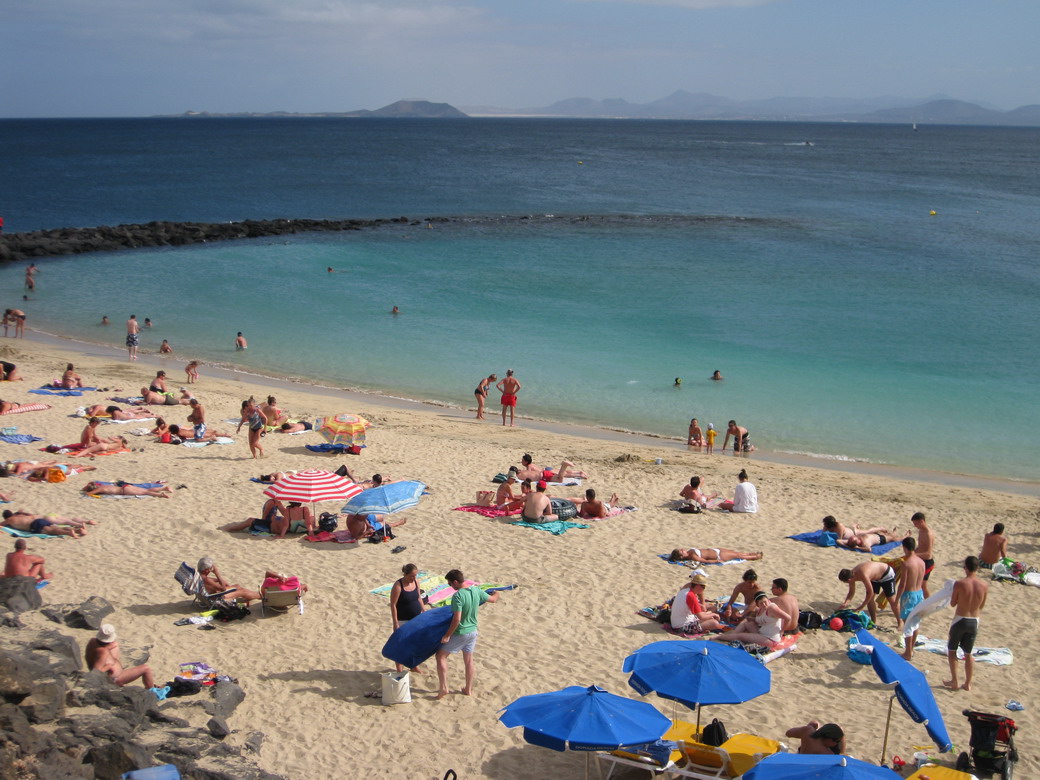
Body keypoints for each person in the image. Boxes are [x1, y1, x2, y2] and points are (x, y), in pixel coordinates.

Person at [436, 569, 501, 698]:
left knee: (441, 656)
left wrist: (447, 635)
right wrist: (497, 592)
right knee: (469, 660)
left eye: (450, 584)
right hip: (473, 631)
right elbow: (493, 599)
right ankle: (468, 689)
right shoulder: (475, 590)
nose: (450, 586)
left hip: (461, 632)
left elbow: (456, 619)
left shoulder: (458, 596)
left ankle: (444, 688)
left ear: (455, 582)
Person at [945, 556, 988, 691]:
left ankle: (955, 681)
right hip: (974, 620)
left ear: (966, 568)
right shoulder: (984, 585)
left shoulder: (960, 583)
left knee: (952, 650)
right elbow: (982, 605)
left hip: (960, 619)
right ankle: (968, 683)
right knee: (968, 653)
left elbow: (952, 603)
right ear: (977, 568)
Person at [85, 624, 158, 691]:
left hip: (110, 675)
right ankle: (151, 691)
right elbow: (95, 672)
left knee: (115, 645)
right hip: (113, 680)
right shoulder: (103, 652)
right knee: (146, 669)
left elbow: (95, 655)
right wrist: (109, 666)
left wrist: (108, 648)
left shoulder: (92, 641)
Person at [709, 591, 790, 648]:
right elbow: (763, 620)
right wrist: (752, 619)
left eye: (765, 602)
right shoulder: (760, 609)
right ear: (757, 604)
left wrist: (782, 631)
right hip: (762, 632)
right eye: (761, 603)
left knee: (741, 636)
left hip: (769, 639)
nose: (764, 604)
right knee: (747, 621)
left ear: (768, 600)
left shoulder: (772, 607)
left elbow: (787, 618)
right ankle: (732, 634)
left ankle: (719, 637)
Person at [838, 561, 901, 627]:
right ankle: (873, 621)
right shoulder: (850, 575)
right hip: (874, 577)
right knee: (870, 600)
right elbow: (851, 592)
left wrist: (860, 607)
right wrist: (846, 603)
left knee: (891, 599)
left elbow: (870, 593)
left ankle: (900, 622)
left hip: (886, 574)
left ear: (849, 580)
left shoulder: (863, 575)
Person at [390, 563, 427, 673]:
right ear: (405, 574)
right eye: (411, 576)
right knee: (401, 644)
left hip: (416, 619)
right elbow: (393, 604)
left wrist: (424, 610)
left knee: (415, 644)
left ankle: (413, 666)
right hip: (403, 619)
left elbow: (419, 598)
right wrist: (395, 622)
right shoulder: (398, 586)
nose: (414, 578)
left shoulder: (416, 582)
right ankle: (399, 668)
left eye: (415, 575)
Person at [897, 537, 926, 658]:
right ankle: (911, 649)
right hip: (919, 593)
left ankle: (908, 652)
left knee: (908, 623)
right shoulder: (922, 562)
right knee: (915, 624)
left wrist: (896, 598)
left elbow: (902, 584)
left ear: (905, 548)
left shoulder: (906, 563)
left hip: (909, 594)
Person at [1, 510, 90, 537]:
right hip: (40, 520)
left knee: (52, 531)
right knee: (54, 527)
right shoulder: (19, 516)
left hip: (34, 525)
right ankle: (77, 530)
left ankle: (69, 533)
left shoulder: (9, 520)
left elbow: (1, 524)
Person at [911, 512, 935, 598]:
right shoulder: (921, 531)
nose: (915, 526)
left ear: (921, 521)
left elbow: (928, 554)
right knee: (917, 584)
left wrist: (914, 555)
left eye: (916, 523)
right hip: (920, 559)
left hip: (927, 562)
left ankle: (927, 604)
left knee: (923, 585)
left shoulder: (928, 534)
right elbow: (920, 547)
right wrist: (912, 552)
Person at [515, 453, 587, 482]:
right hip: (547, 469)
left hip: (547, 472)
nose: (521, 462)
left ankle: (580, 475)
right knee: (565, 473)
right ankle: (579, 473)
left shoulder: (529, 467)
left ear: (526, 462)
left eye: (523, 460)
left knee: (564, 474)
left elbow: (530, 475)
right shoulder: (532, 464)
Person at [837, 526, 907, 553]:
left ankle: (894, 532)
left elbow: (838, 541)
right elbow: (869, 549)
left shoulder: (854, 540)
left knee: (890, 535)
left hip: (875, 535)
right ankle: (906, 536)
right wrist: (857, 547)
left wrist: (848, 546)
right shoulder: (864, 543)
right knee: (895, 539)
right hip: (881, 539)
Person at [669, 547, 762, 563]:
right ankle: (754, 557)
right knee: (738, 556)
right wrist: (716, 561)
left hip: (716, 550)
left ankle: (751, 553)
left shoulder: (689, 552)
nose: (683, 549)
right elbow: (704, 561)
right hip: (718, 556)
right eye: (682, 551)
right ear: (682, 557)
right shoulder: (692, 557)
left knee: (736, 552)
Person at [82, 481, 172, 498]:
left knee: (145, 492)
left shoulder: (101, 489)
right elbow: (92, 482)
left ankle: (161, 495)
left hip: (124, 491)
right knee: (145, 490)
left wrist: (87, 492)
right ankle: (163, 488)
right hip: (125, 487)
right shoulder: (102, 485)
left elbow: (89, 494)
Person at [84, 405, 155, 421]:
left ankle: (142, 410)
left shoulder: (97, 407)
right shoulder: (98, 407)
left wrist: (89, 414)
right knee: (127, 411)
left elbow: (92, 415)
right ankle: (140, 409)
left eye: (89, 410)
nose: (89, 412)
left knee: (127, 411)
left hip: (113, 411)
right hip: (112, 410)